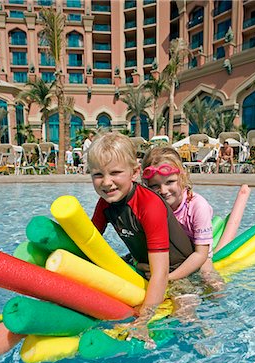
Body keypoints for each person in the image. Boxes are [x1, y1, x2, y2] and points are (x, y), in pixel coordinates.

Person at [88, 132, 194, 345]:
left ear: (134, 172)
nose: (106, 183)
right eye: (98, 174)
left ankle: (202, 341)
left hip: (178, 272)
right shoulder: (105, 204)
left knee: (186, 318)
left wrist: (143, 321)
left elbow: (162, 273)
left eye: (115, 173)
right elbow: (88, 242)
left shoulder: (149, 205)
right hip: (142, 268)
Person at [141, 146, 217, 284]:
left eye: (170, 182)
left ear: (182, 177)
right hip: (170, 255)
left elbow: (201, 254)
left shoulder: (197, 206)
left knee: (210, 280)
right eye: (154, 186)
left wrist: (168, 278)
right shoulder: (151, 206)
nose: (163, 191)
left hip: (199, 254)